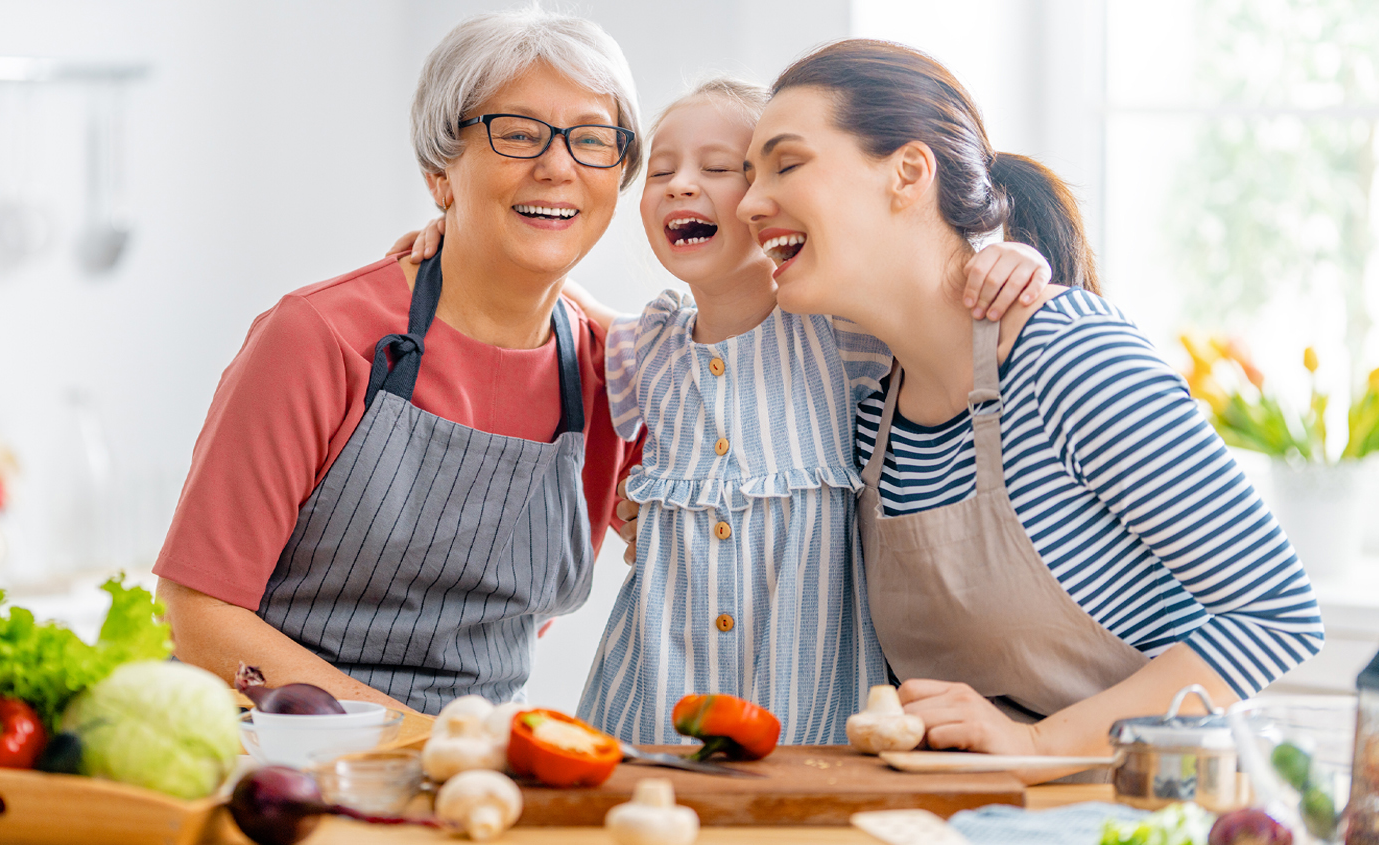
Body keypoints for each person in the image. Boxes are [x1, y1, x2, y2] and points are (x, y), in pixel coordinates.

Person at [733, 39, 1323, 778]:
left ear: (909, 173)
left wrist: (1041, 744)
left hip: (1143, 811)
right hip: (981, 815)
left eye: (786, 165)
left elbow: (1277, 613)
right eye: (750, 175)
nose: (749, 202)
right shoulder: (869, 414)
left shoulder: (1068, 357)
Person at [405, 79, 1051, 743]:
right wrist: (464, 233)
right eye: (661, 170)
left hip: (809, 712)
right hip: (651, 704)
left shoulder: (839, 335)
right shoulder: (643, 346)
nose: (683, 185)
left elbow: (930, 294)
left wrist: (1008, 255)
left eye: (721, 169)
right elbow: (550, 295)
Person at [152, 8, 644, 714]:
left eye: (593, 140)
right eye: (517, 133)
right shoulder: (317, 338)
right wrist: (414, 738)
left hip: (473, 778)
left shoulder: (612, 375)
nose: (558, 165)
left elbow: (736, 513)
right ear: (439, 172)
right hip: (277, 753)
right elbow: (196, 615)